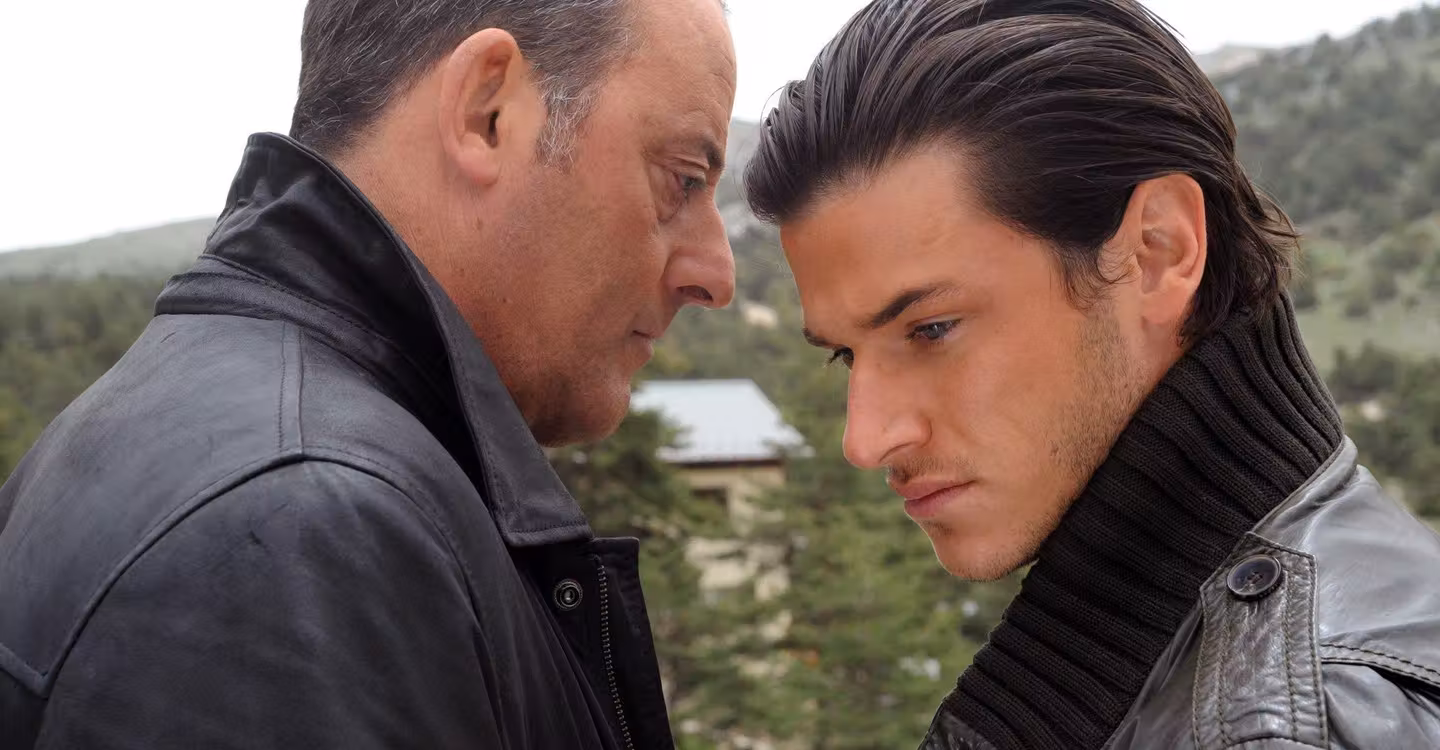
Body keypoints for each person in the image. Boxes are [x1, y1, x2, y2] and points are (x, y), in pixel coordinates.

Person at [0, 0, 735, 747]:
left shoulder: (198, 432)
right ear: (487, 112)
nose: (717, 275)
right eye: (681, 180)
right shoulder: (303, 534)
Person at [744, 0, 1440, 748]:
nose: (866, 439)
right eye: (847, 355)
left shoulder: (1315, 719)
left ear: (1157, 251)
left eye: (931, 329)